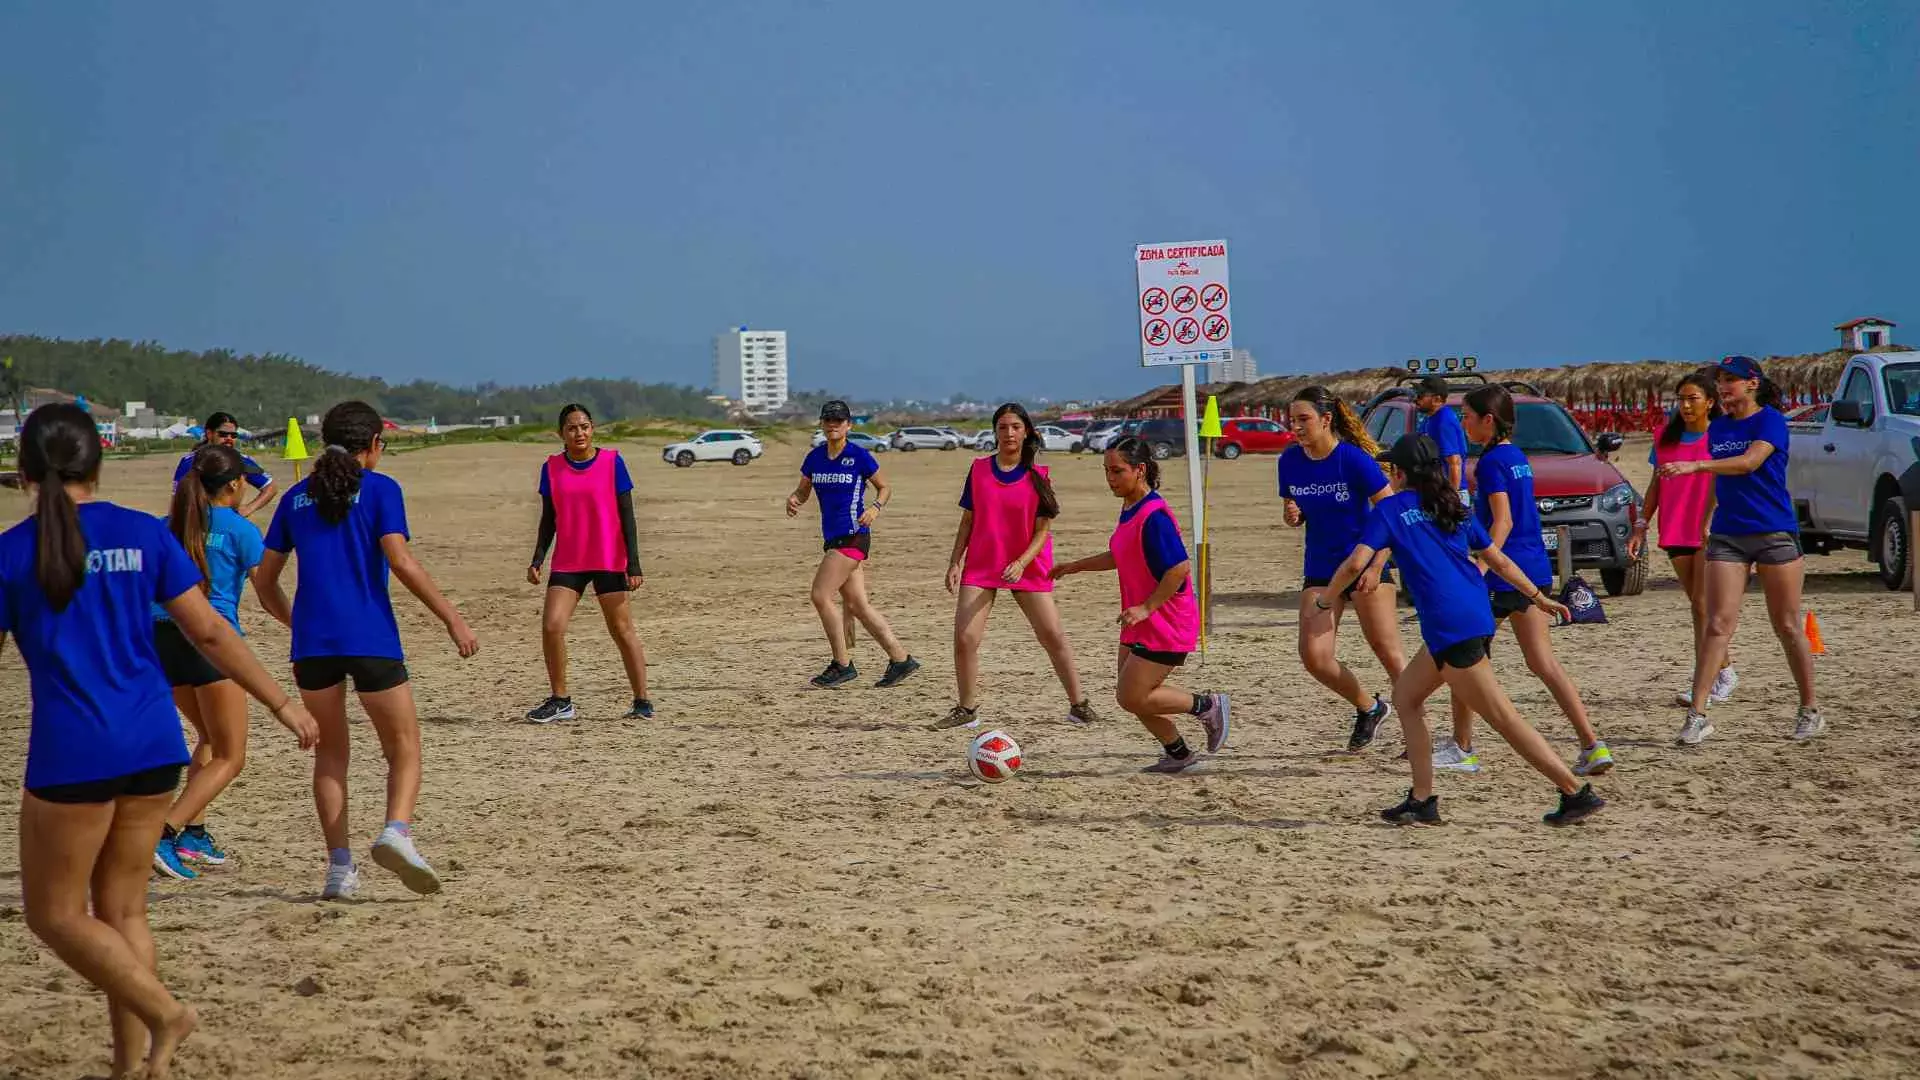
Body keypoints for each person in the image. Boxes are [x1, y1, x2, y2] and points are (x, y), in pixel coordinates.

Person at [2, 403, 317, 1080]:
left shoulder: (13, 551)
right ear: (98, 462)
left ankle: (166, 1012)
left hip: (74, 754)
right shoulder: (144, 536)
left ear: (26, 472)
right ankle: (131, 1065)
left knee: (55, 915)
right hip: (153, 749)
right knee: (121, 912)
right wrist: (281, 703)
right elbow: (210, 632)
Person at [1311, 433, 1603, 826]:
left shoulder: (1391, 510)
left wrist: (1327, 600)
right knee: (1406, 698)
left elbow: (1353, 564)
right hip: (1469, 615)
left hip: (1453, 627)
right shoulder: (1453, 506)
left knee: (1503, 718)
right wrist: (1537, 596)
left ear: (1399, 472)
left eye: (1390, 467)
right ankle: (1421, 798)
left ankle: (1574, 792)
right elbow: (1498, 561)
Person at [256, 401, 480, 900]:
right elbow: (400, 561)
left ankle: (339, 868)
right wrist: (452, 617)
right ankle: (396, 831)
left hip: (313, 647)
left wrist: (298, 622)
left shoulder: (295, 497)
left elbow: (265, 580)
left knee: (331, 755)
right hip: (371, 638)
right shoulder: (381, 489)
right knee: (403, 747)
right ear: (374, 445)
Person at [1440, 385, 1613, 777]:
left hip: (1505, 575)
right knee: (1543, 663)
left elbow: (1503, 521)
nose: (1462, 423)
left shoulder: (1490, 463)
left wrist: (1485, 565)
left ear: (1489, 420)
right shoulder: (1517, 457)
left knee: (1466, 659)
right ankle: (1592, 744)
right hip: (1535, 569)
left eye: (1467, 415)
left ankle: (1463, 747)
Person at [1659, 355, 1821, 745]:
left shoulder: (1770, 421)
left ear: (1752, 383)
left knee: (1785, 625)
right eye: (1720, 381)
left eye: (1731, 380)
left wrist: (1695, 467)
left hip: (1774, 533)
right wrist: (1707, 518)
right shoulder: (1718, 428)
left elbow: (1749, 463)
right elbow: (1721, 477)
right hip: (1729, 535)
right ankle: (1698, 714)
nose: (1724, 387)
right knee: (1716, 624)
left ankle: (1810, 708)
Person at [1052, 436, 1230, 773]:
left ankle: (1207, 705)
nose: (1110, 478)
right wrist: (1075, 566)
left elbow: (1179, 568)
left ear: (1141, 470)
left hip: (1166, 621)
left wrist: (1147, 607)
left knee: (1131, 696)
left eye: (1117, 471)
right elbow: (1122, 554)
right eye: (1106, 471)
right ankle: (1178, 754)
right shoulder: (1130, 508)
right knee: (1133, 694)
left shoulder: (1155, 516)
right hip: (1139, 621)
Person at [935, 403, 1099, 729]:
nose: (1009, 433)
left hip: (1027, 566)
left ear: (1026, 432)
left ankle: (1079, 705)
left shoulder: (1039, 476)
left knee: (1052, 635)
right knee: (965, 639)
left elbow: (1043, 530)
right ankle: (966, 709)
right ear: (995, 432)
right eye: (1002, 427)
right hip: (982, 565)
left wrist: (1022, 562)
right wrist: (955, 561)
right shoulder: (979, 469)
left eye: (1015, 427)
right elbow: (967, 520)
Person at [149, 444, 269, 881]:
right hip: (211, 641)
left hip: (161, 636)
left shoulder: (170, 525)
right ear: (236, 484)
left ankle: (193, 835)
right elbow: (267, 590)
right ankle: (164, 832)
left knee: (208, 738)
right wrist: (301, 624)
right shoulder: (239, 529)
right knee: (231, 755)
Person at [1276, 386, 1404, 750]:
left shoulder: (1353, 460)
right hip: (1321, 568)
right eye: (1292, 421)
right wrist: (1293, 516)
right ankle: (1369, 707)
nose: (1296, 428)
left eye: (1304, 420)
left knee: (1388, 652)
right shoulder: (1289, 461)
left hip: (1366, 564)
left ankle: (1418, 729)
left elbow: (1390, 513)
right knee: (1315, 658)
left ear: (1326, 419)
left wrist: (1378, 564)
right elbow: (1294, 511)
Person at [524, 403, 651, 723]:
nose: (579, 433)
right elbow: (549, 518)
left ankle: (642, 700)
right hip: (569, 560)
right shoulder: (551, 468)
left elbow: (627, 515)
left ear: (592, 429)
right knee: (552, 625)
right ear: (561, 434)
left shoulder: (612, 462)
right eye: (571, 428)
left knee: (621, 630)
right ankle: (561, 700)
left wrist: (633, 564)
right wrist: (538, 557)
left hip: (609, 558)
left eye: (584, 426)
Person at [786, 400, 921, 689]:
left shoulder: (858, 456)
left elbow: (885, 487)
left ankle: (842, 664)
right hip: (832, 537)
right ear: (822, 424)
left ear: (849, 425)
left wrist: (875, 508)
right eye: (828, 420)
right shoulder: (814, 458)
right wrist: (795, 499)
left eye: (839, 420)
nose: (833, 425)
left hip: (853, 535)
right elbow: (803, 490)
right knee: (858, 605)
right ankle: (901, 660)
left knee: (820, 595)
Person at [1632, 370, 1736, 706]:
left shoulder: (1721, 437)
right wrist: (1641, 523)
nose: (1687, 405)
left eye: (1694, 398)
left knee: (1705, 606)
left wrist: (1714, 519)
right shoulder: (1665, 437)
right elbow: (1655, 486)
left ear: (1710, 402)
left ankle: (1705, 681)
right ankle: (1723, 671)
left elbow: (1727, 483)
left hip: (1708, 530)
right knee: (1696, 606)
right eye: (1682, 399)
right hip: (1674, 528)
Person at [171, 411, 277, 517]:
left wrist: (248, 509)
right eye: (223, 434)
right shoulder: (189, 462)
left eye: (233, 435)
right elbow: (176, 500)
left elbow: (270, 487)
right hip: (196, 525)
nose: (229, 438)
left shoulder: (241, 460)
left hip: (227, 526)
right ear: (209, 434)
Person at [1412, 376, 1469, 502]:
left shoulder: (1443, 422)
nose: (1416, 400)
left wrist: (1451, 498)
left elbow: (1455, 462)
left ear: (1437, 399)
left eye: (1421, 396)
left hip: (1449, 494)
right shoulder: (1430, 419)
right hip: (1437, 491)